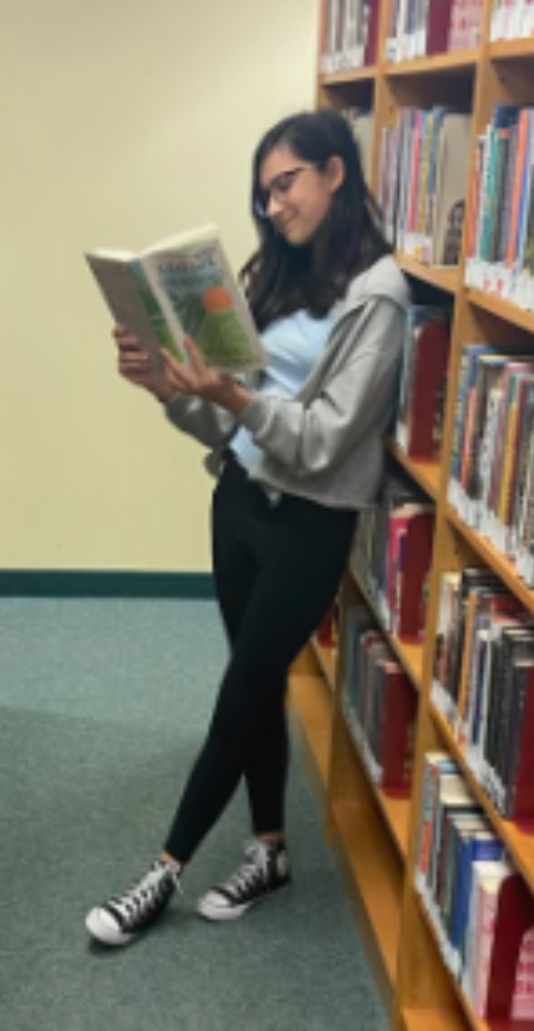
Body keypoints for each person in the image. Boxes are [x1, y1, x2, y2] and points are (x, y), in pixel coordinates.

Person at [85, 109, 412, 947]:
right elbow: (232, 429)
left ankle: (163, 872)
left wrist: (233, 399)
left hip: (310, 523)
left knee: (238, 695)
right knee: (255, 678)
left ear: (336, 172)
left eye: (286, 184)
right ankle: (269, 850)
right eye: (263, 193)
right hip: (239, 503)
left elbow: (324, 439)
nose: (272, 206)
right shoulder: (271, 273)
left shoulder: (378, 296)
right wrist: (171, 390)